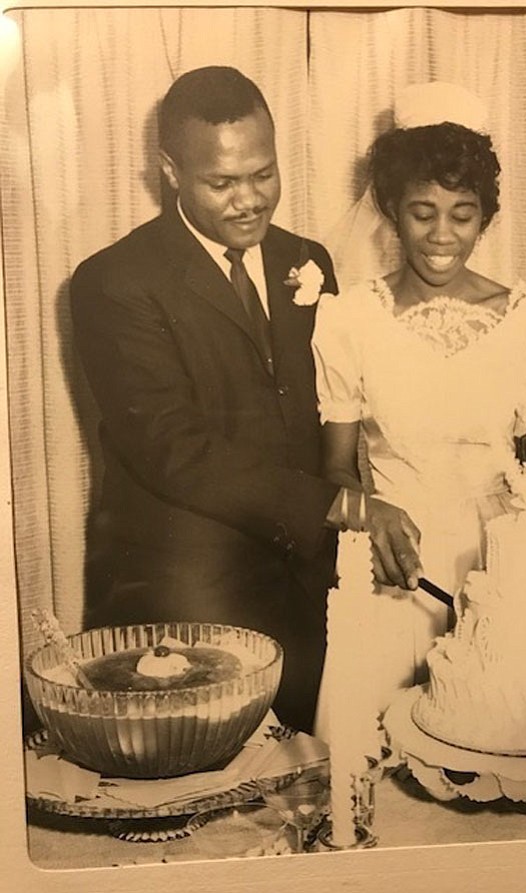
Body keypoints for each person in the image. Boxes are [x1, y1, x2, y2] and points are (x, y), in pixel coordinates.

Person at [70, 66, 420, 733]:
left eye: (264, 174)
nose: (250, 201)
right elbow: (176, 450)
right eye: (222, 182)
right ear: (170, 171)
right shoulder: (113, 281)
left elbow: (331, 410)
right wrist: (343, 505)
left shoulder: (308, 258)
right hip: (187, 595)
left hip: (308, 583)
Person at [312, 83, 526, 713]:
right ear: (390, 209)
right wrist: (368, 515)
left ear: (485, 217)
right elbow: (330, 467)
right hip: (392, 575)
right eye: (421, 211)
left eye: (461, 214)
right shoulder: (348, 322)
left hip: (504, 578)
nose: (441, 234)